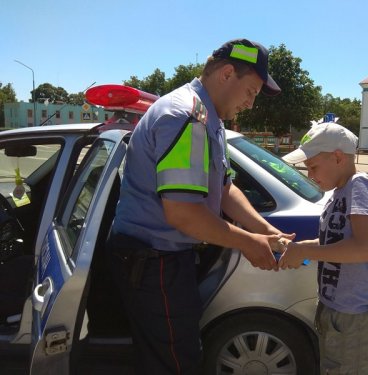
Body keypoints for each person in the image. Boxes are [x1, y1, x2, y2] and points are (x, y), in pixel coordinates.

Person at [107, 38, 294, 375]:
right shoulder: (186, 117)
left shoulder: (208, 119)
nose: (251, 104)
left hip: (162, 261)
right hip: (155, 264)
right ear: (226, 74)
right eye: (250, 91)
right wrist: (249, 243)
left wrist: (266, 230)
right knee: (176, 364)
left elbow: (223, 188)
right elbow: (183, 213)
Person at [279, 122, 368, 374]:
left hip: (355, 317)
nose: (310, 175)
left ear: (338, 157)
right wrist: (301, 247)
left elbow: (365, 248)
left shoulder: (359, 185)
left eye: (313, 167)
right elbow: (337, 244)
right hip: (337, 311)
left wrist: (306, 252)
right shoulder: (339, 192)